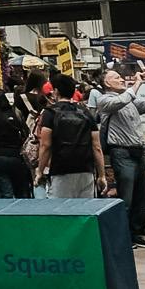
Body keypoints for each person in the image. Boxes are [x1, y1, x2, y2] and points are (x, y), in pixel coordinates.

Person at [92, 69, 145, 245]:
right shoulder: (105, 100)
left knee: (142, 196)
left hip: (138, 151)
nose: (121, 79)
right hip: (121, 153)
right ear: (107, 83)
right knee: (126, 197)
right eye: (116, 77)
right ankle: (122, 236)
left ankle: (135, 233)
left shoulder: (129, 99)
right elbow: (121, 101)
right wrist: (137, 84)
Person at [35, 72, 107, 201]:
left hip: (61, 170)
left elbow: (45, 145)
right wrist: (101, 175)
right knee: (85, 212)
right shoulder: (85, 112)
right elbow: (96, 146)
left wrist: (40, 171)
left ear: (56, 91)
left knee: (62, 212)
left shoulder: (50, 113)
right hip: (86, 170)